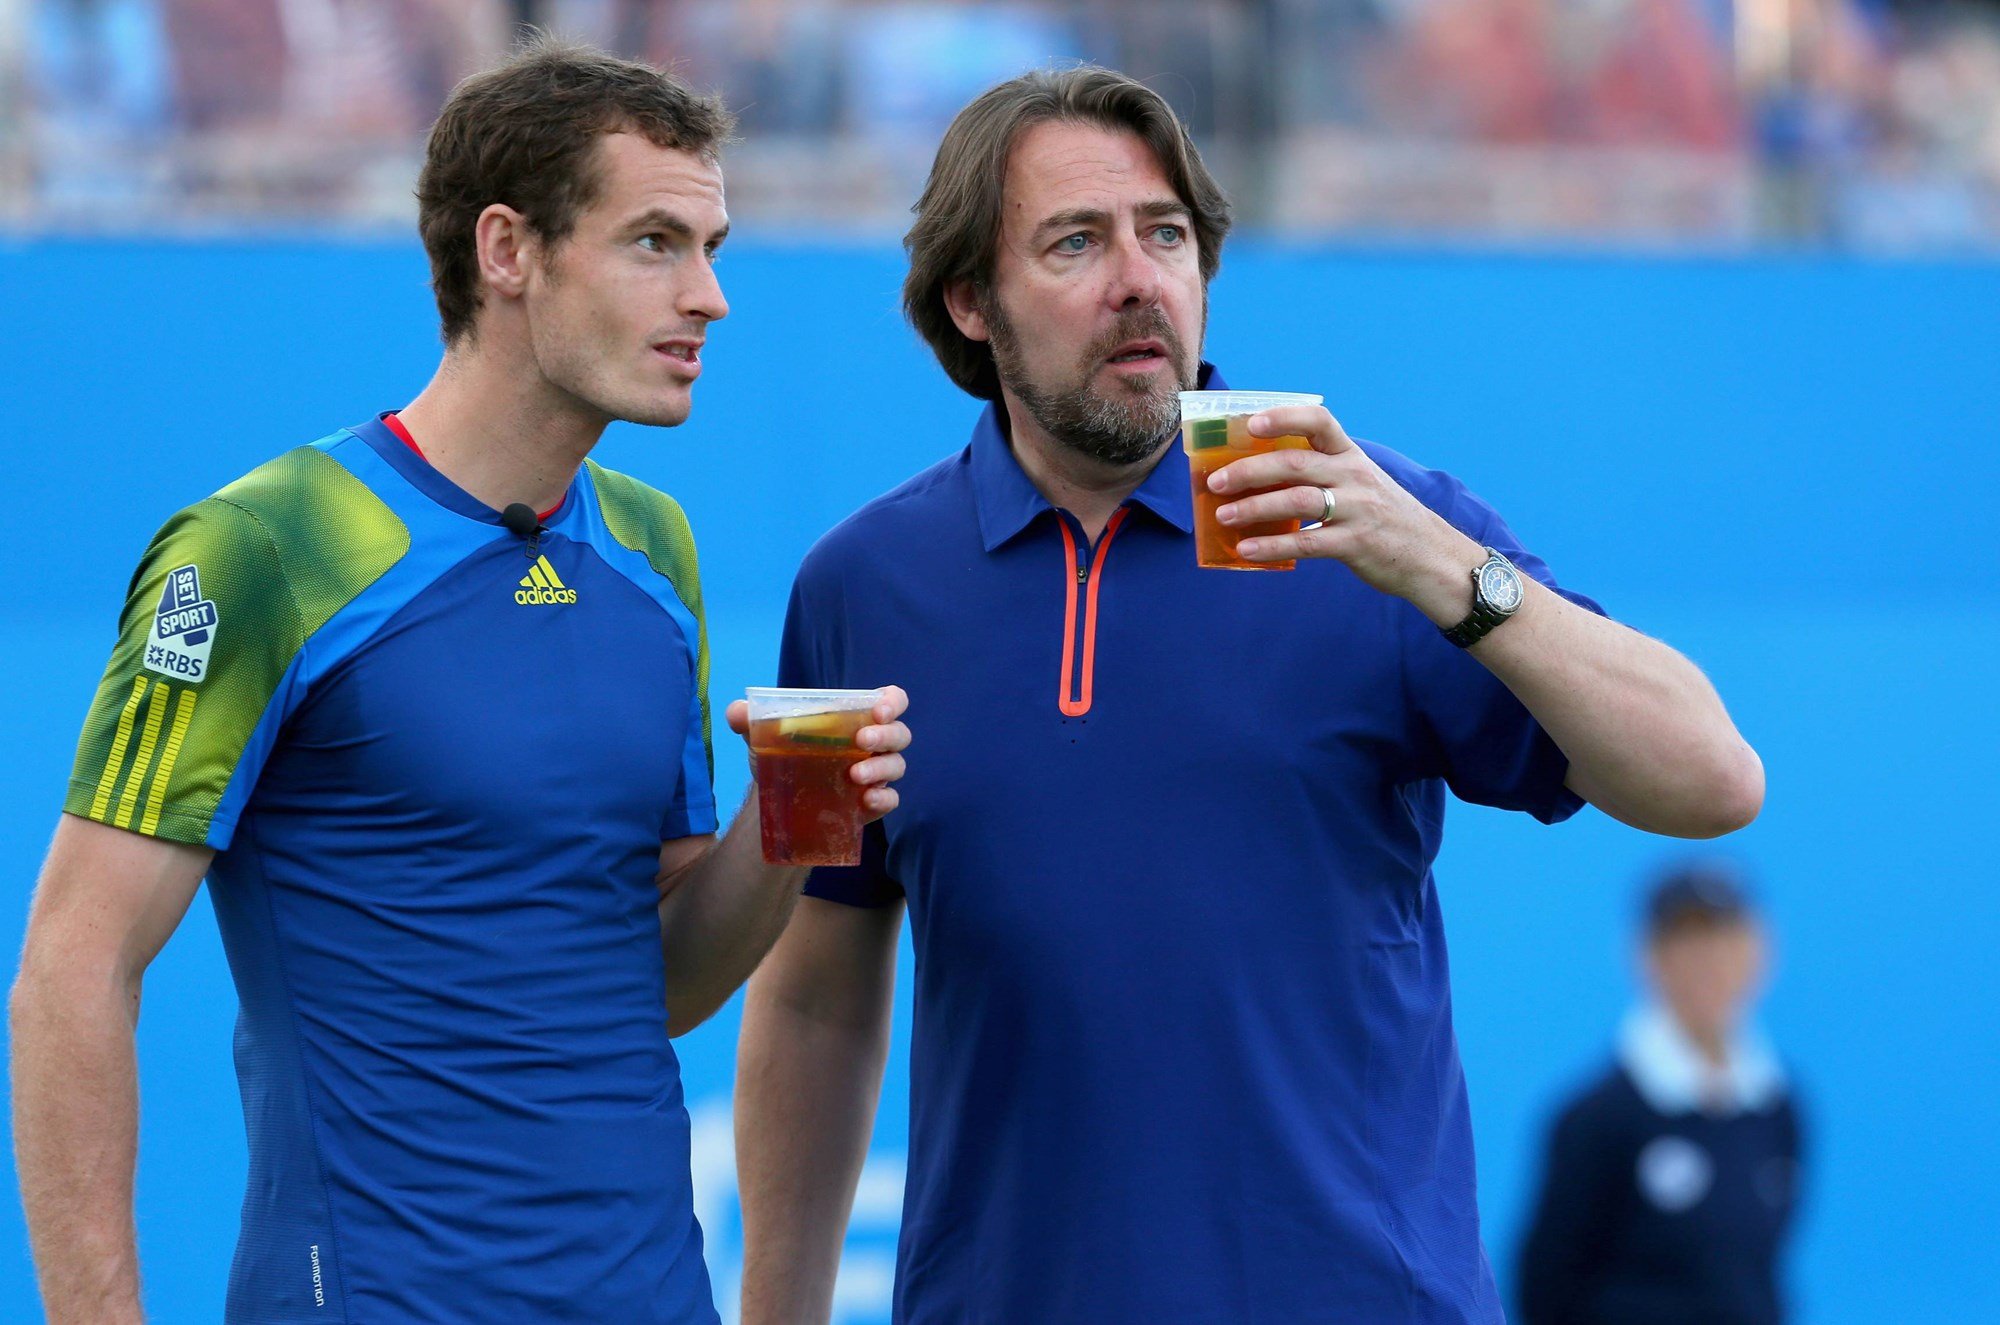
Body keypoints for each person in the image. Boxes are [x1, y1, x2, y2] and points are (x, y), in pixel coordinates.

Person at [733, 65, 1763, 1325]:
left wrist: (1440, 567)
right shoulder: (855, 588)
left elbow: (1713, 779)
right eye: (1075, 240)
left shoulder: (1371, 519)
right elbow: (814, 986)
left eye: (1163, 233)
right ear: (969, 304)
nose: (1137, 278)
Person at [8, 37, 910, 1325]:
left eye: (712, 246)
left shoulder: (654, 547)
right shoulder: (265, 548)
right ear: (507, 251)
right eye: (656, 241)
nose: (709, 295)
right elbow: (71, 968)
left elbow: (658, 979)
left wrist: (784, 827)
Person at [1518, 862, 1803, 1325]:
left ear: (1759, 951)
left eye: (1724, 937)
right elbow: (1547, 1286)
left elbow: (1760, 1269)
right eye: (1686, 940)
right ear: (1646, 956)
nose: (1708, 961)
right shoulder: (1597, 1117)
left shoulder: (1778, 1107)